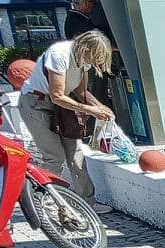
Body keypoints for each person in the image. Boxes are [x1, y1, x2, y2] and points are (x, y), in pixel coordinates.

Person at [16, 29, 114, 213]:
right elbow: (57, 95)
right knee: (54, 156)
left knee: (76, 155)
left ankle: (87, 204)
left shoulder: (83, 60)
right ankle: (45, 203)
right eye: (94, 56)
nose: (94, 62)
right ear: (85, 48)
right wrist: (90, 110)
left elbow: (81, 92)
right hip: (36, 103)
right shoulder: (59, 54)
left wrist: (100, 107)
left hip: (61, 107)